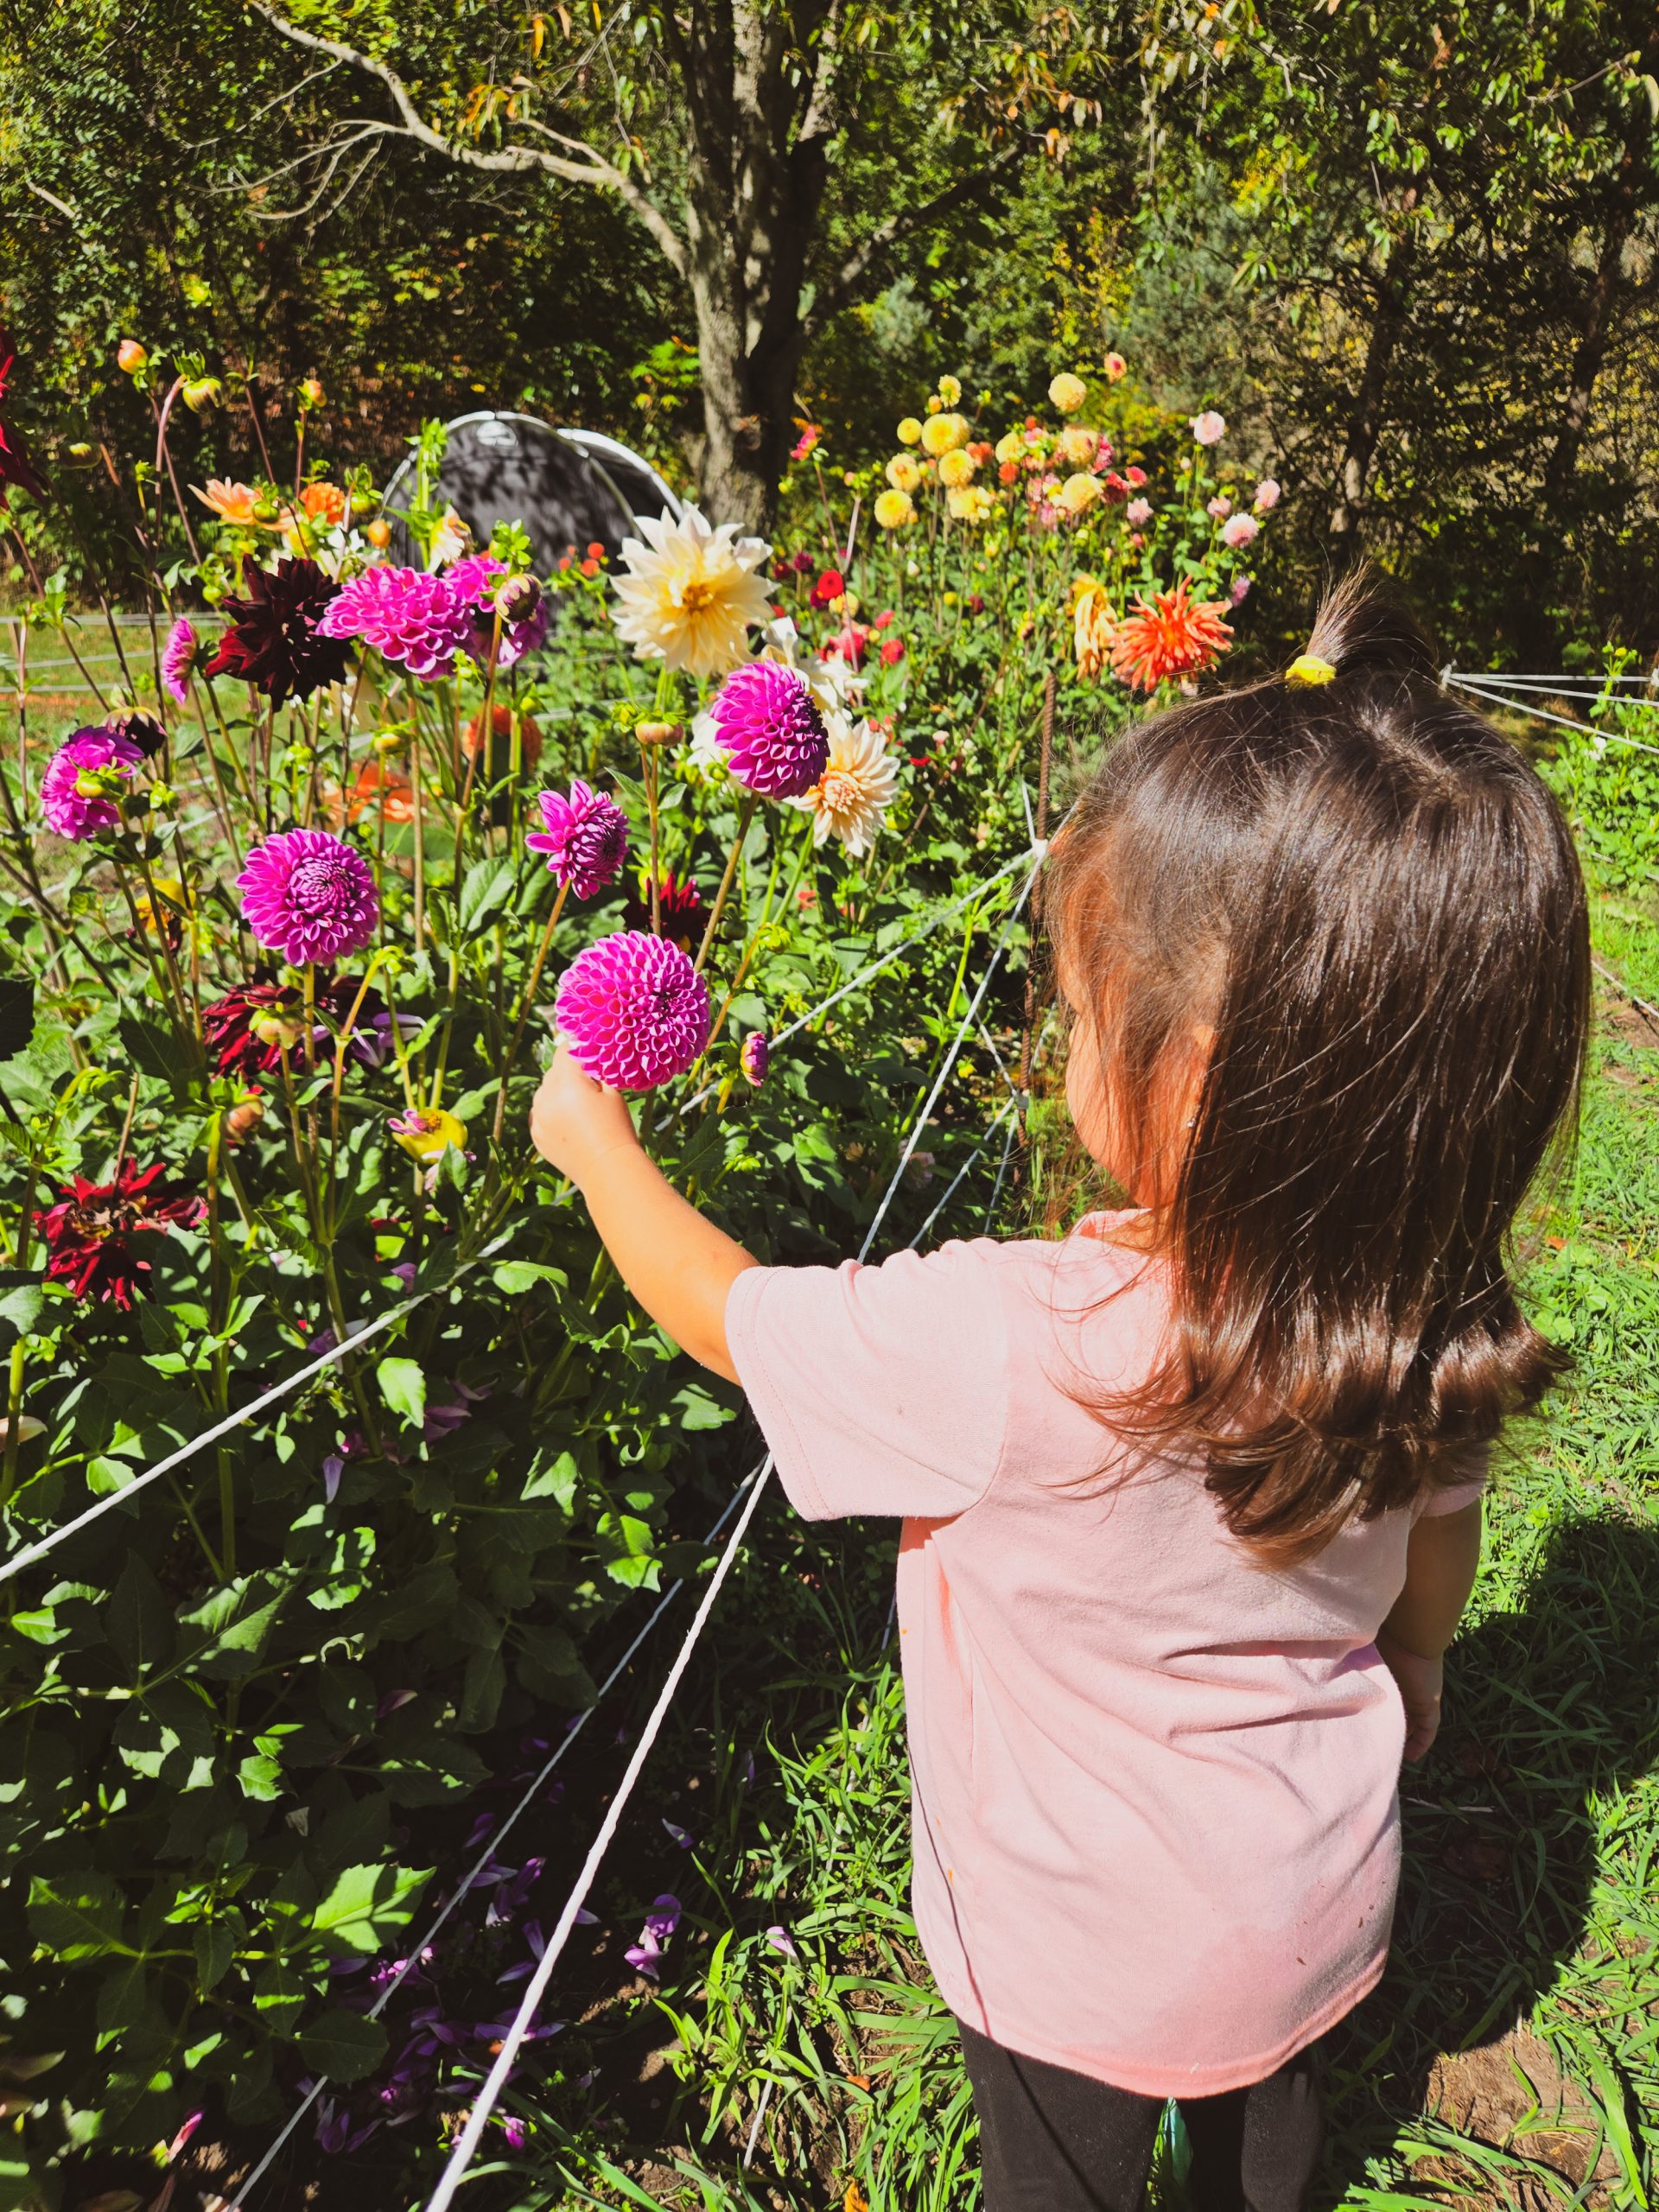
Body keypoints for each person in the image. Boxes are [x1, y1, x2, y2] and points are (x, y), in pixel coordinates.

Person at [528, 577, 1590, 2212]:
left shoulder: (1009, 1341)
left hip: (1064, 1947)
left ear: (1196, 1076)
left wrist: (595, 1145)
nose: (1058, 1033)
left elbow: (729, 1316)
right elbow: (1435, 1563)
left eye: (1085, 1010)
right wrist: (1424, 1661)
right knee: (1273, 2138)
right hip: (1313, 1900)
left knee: (1059, 2181)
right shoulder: (1434, 1316)